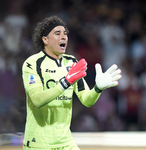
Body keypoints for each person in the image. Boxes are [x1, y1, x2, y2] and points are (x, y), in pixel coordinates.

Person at [22, 16, 122, 150]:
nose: (63, 37)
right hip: (39, 143)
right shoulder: (32, 63)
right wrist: (66, 82)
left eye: (65, 34)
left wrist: (97, 89)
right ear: (45, 39)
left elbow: (86, 100)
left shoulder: (71, 62)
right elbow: (37, 100)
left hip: (66, 142)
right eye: (57, 33)